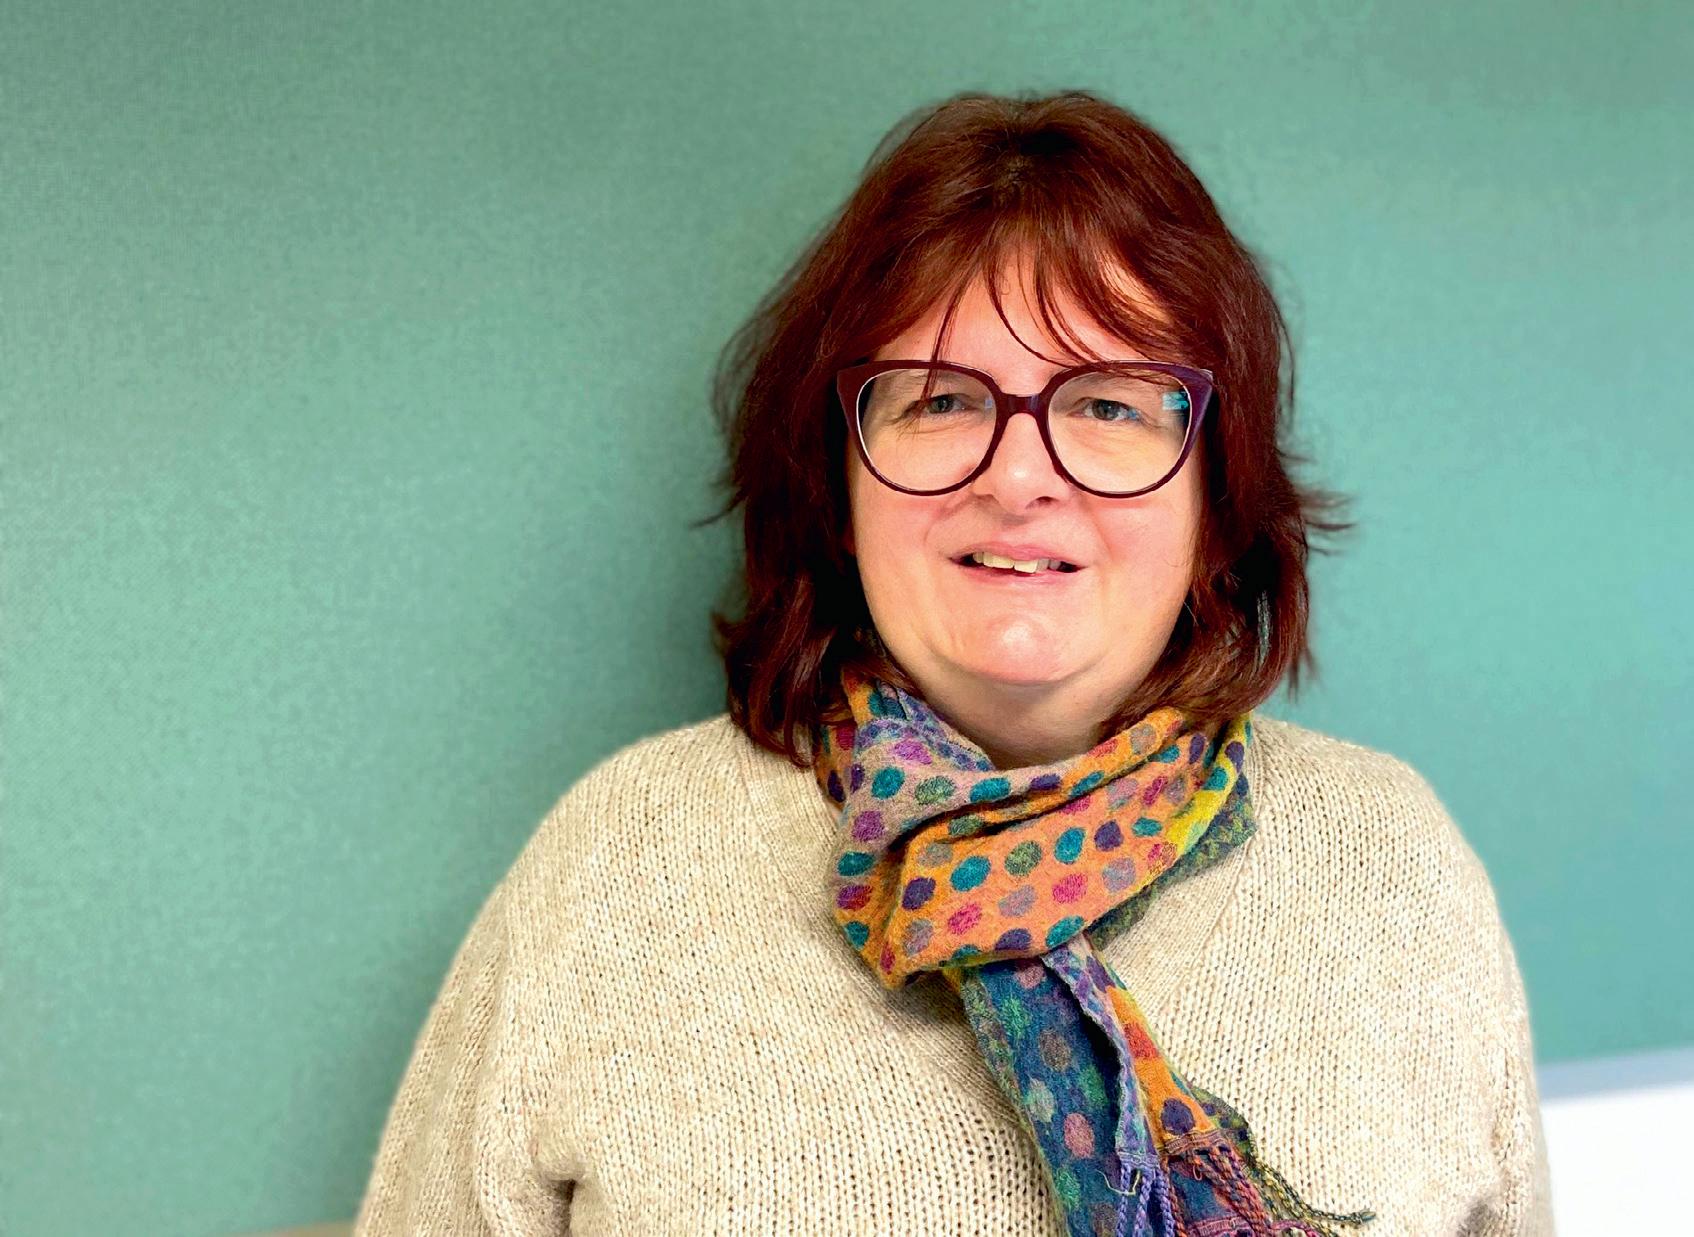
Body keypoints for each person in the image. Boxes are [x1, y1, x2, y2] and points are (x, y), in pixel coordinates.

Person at [352, 89, 1554, 1236]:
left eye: (1108, 405)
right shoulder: (618, 866)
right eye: (938, 401)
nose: (1018, 477)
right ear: (837, 484)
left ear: (1216, 497)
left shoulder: (1393, 869)